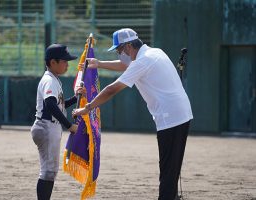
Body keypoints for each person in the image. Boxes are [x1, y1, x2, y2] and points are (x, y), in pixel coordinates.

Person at [73, 28, 193, 200]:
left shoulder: (143, 61)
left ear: (128, 46)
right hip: (179, 114)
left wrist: (88, 107)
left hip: (171, 117)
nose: (119, 53)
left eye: (119, 50)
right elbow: (125, 65)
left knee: (167, 170)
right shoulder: (153, 52)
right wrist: (98, 63)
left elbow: (112, 89)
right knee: (171, 168)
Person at [30, 43, 85, 200]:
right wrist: (69, 125)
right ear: (53, 62)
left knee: (50, 171)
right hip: (46, 126)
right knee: (48, 172)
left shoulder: (53, 79)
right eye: (64, 61)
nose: (67, 64)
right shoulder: (49, 80)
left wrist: (75, 99)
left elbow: (58, 105)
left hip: (48, 125)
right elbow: (50, 105)